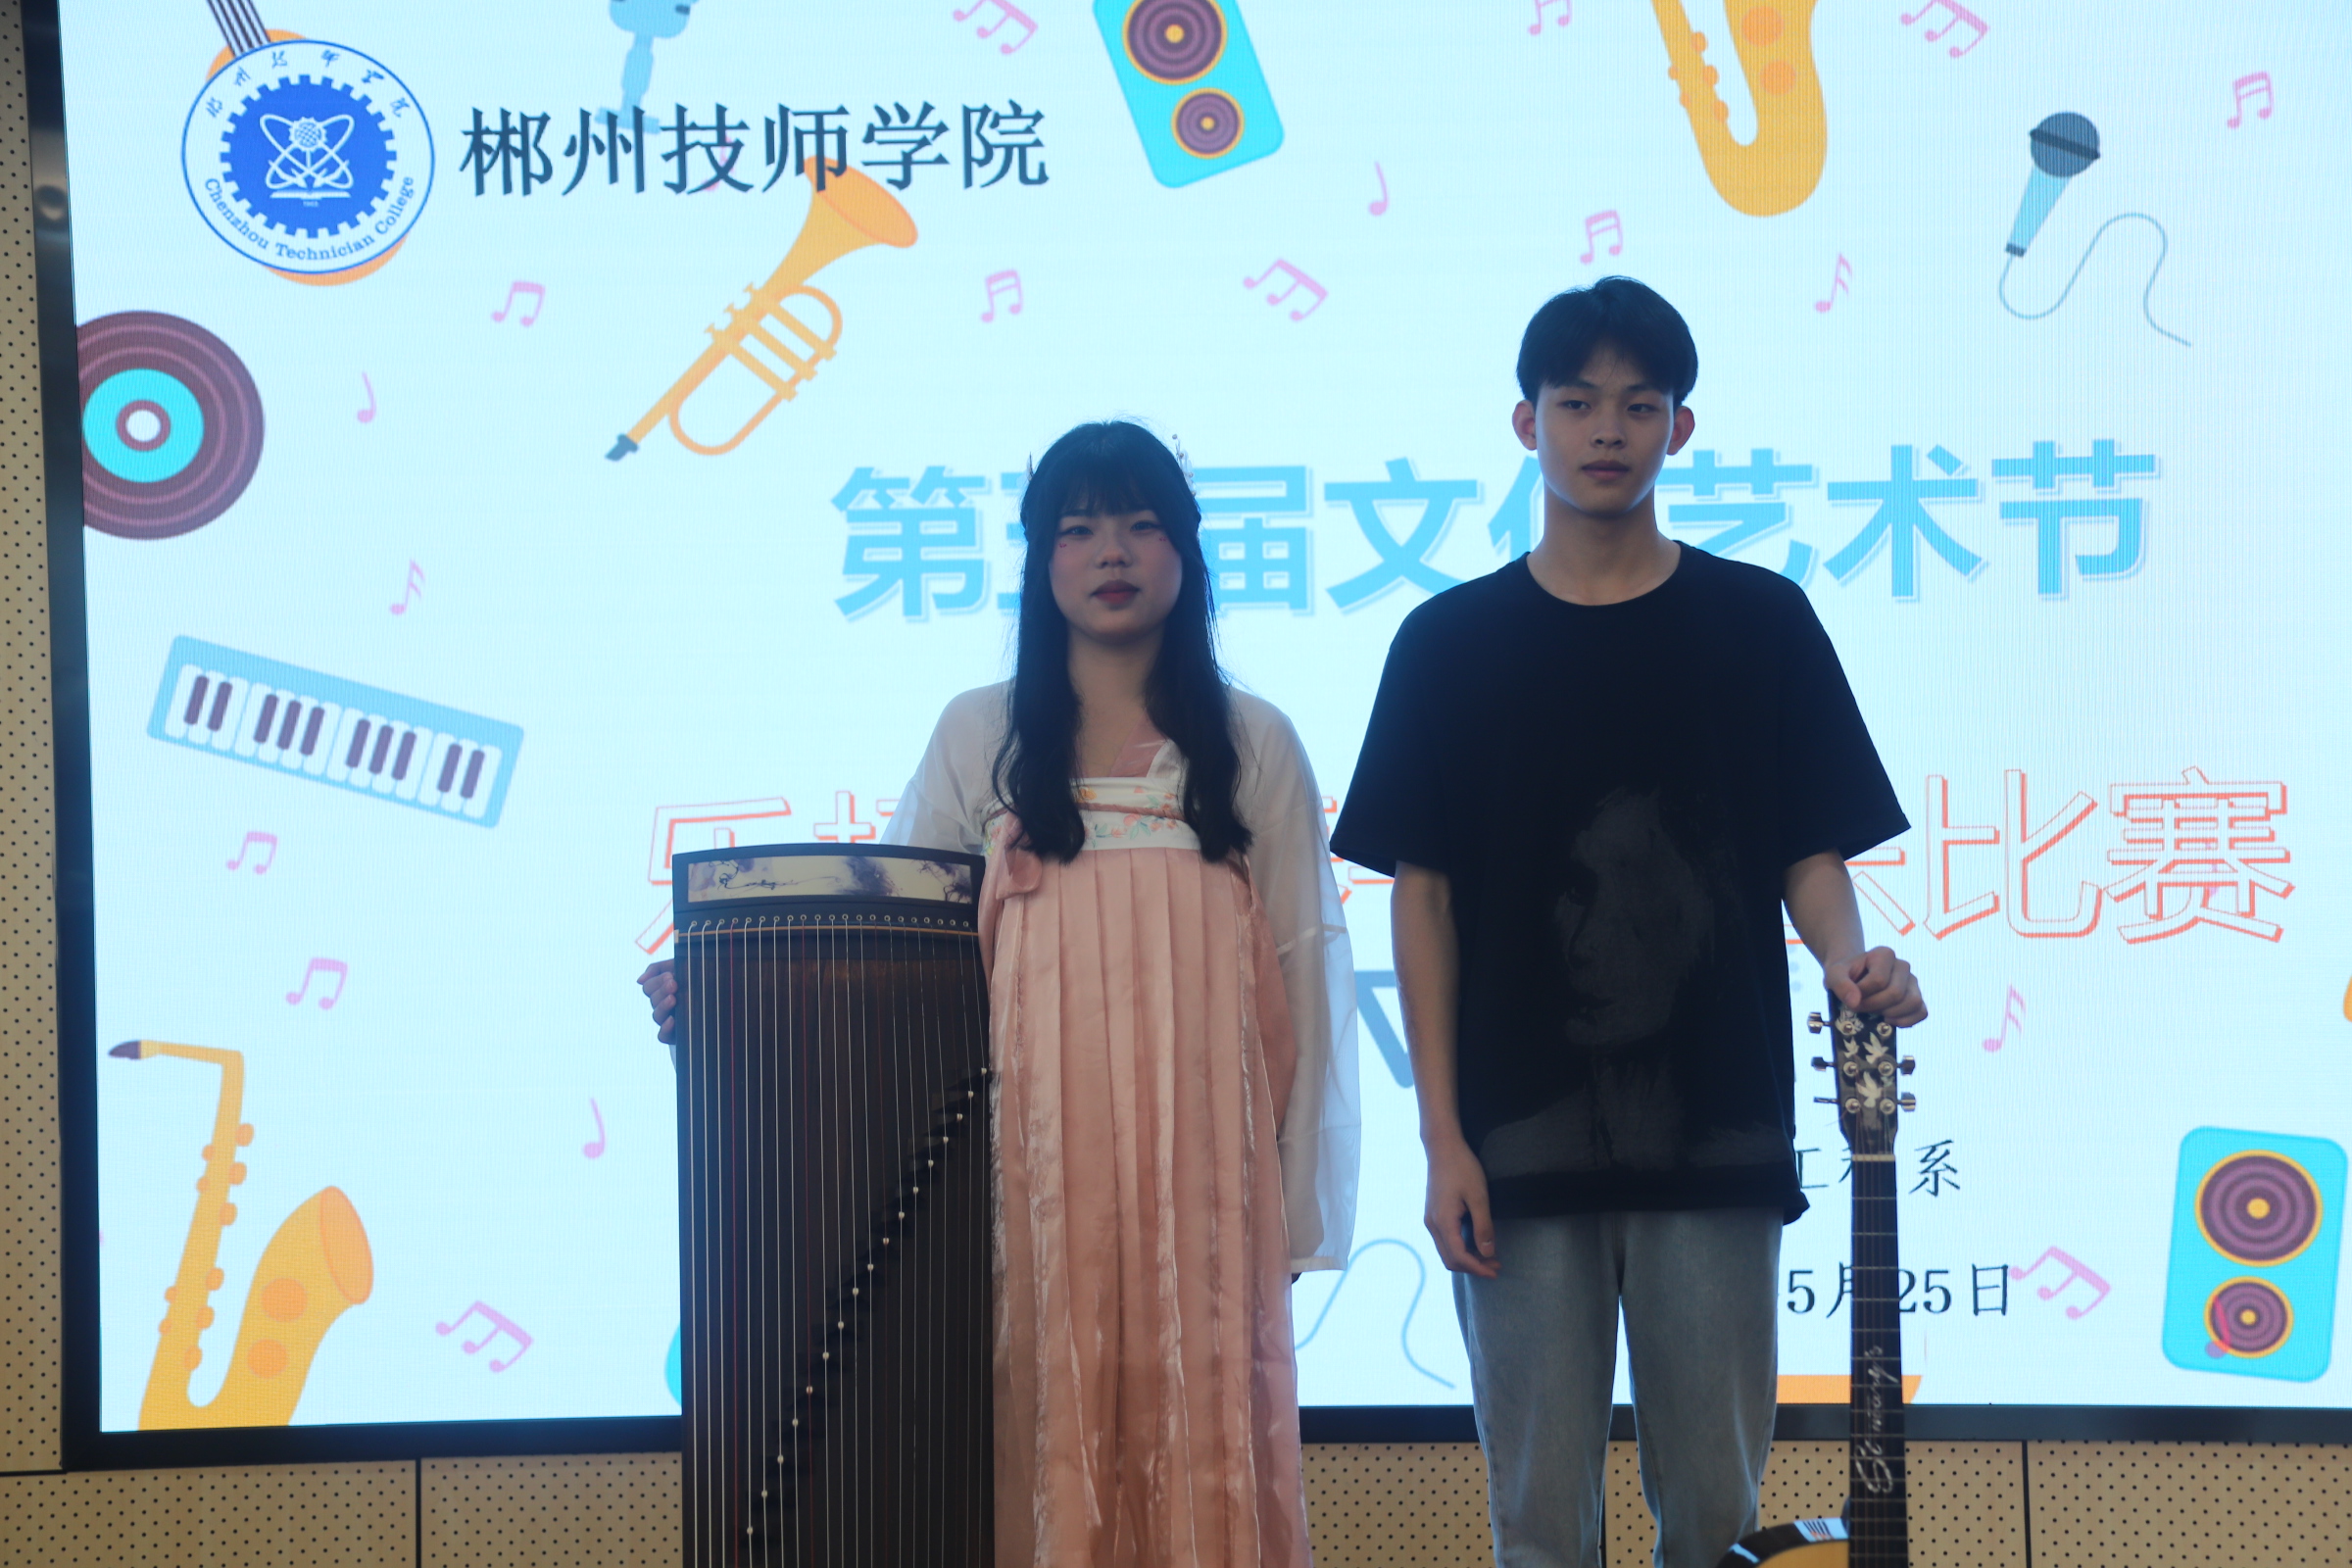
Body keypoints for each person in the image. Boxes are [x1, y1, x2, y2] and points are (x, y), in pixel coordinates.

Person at [642, 418, 1358, 1568]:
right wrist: (727, 1004)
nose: (1112, 550)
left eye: (1142, 524)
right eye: (1079, 528)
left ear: (1187, 549)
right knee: (1039, 1438)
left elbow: (1304, 973)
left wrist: (1288, 1203)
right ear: (1039, 557)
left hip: (1208, 1189)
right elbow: (890, 958)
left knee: (1206, 1446)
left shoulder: (1252, 741)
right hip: (1025, 1185)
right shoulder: (979, 732)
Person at [1329, 278, 1926, 1568]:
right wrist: (1443, 1138)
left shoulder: (1759, 623)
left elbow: (1807, 848)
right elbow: (1421, 897)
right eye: (1578, 402)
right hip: (1514, 1143)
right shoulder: (1447, 643)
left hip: (1714, 1128)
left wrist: (1851, 962)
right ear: (1526, 422)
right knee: (1541, 1521)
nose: (1608, 428)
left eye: (1640, 404)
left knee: (1716, 1514)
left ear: (1680, 428)